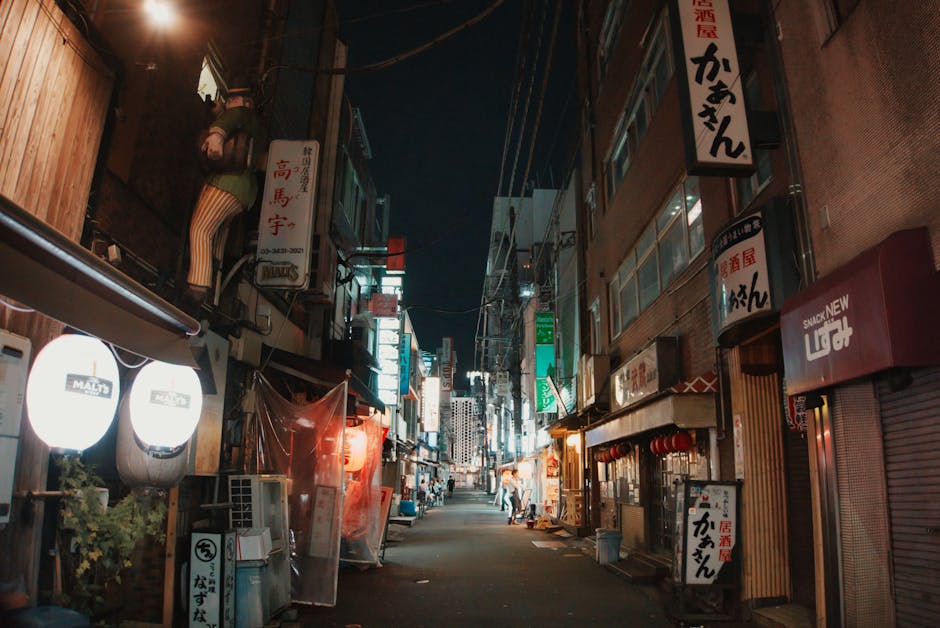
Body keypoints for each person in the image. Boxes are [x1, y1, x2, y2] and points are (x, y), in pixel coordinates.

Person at [186, 78, 267, 304]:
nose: (230, 103)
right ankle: (215, 281)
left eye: (233, 99)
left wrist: (216, 135)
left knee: (201, 229)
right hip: (245, 193)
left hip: (227, 183)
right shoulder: (257, 129)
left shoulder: (240, 114)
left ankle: (198, 286)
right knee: (219, 234)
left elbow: (231, 118)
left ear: (244, 102)